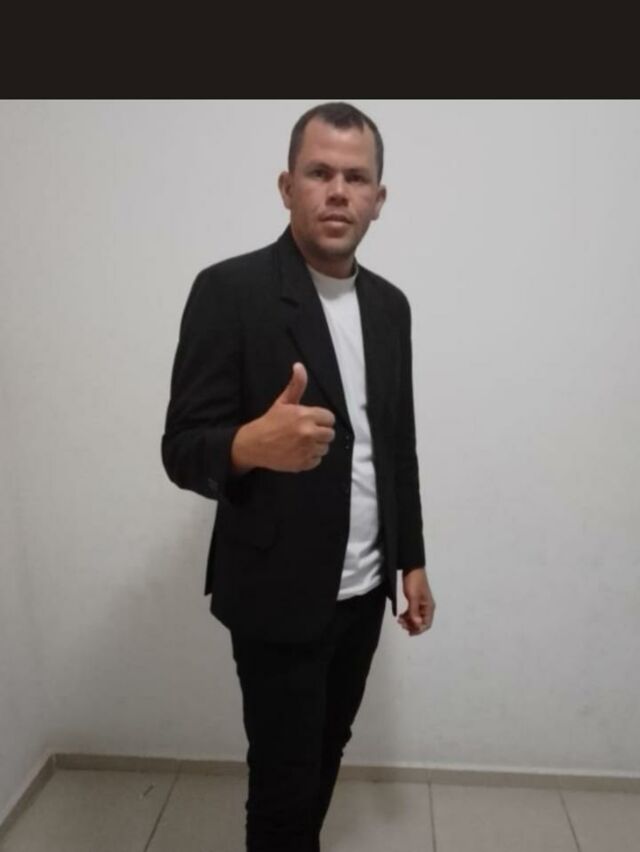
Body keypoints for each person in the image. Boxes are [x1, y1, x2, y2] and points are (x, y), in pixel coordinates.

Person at [161, 101, 436, 852]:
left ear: (379, 197)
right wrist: (248, 443)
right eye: (319, 173)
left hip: (365, 589)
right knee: (282, 785)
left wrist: (411, 559)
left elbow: (397, 445)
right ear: (287, 187)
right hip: (276, 592)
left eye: (356, 177)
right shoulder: (229, 292)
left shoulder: (390, 308)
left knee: (324, 753)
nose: (338, 191)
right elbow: (181, 447)